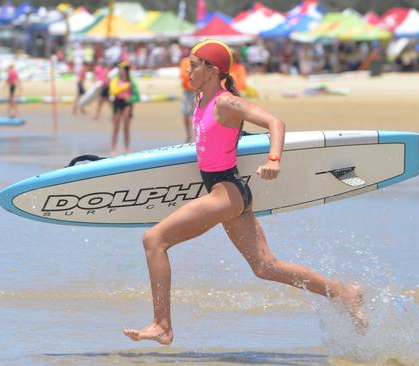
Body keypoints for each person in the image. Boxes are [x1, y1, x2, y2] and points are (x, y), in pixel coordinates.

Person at [123, 40, 366, 345]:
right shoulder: (200, 98)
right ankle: (345, 292)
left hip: (226, 192)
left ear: (212, 71)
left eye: (194, 64)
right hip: (229, 194)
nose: (188, 69)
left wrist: (274, 160)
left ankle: (162, 325)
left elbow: (275, 121)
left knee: (154, 240)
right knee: (265, 266)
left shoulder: (226, 103)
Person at [108, 61, 137, 156]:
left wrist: (130, 98)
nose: (122, 71)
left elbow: (137, 96)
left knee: (126, 127)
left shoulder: (131, 82)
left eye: (124, 69)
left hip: (127, 104)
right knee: (116, 127)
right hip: (117, 103)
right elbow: (112, 92)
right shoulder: (115, 79)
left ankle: (127, 148)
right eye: (120, 69)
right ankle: (113, 148)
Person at [178, 53, 195, 142]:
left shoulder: (200, 61)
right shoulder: (185, 61)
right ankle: (188, 135)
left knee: (197, 113)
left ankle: (196, 134)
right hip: (188, 90)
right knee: (186, 113)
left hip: (197, 90)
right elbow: (182, 75)